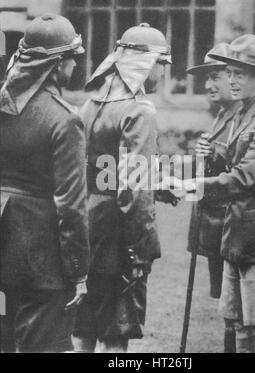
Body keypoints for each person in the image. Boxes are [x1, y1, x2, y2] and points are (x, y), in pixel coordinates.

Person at [181, 34, 255, 353]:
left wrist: (197, 185)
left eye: (240, 74)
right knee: (237, 323)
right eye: (229, 72)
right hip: (238, 233)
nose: (232, 80)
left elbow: (245, 176)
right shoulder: (245, 112)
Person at [72, 23, 172, 353]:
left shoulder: (89, 105)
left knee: (84, 328)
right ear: (147, 64)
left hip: (86, 228)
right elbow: (134, 190)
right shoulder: (138, 111)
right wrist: (142, 248)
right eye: (163, 63)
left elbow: (102, 173)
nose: (164, 72)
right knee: (116, 334)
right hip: (117, 235)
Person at [0, 14, 90, 352]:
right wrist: (79, 272)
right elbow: (71, 206)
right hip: (43, 263)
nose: (74, 66)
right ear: (57, 65)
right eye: (72, 58)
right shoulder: (65, 120)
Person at [186, 43, 241, 353]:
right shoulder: (222, 114)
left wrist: (216, 153)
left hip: (237, 227)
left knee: (237, 309)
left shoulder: (249, 116)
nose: (208, 85)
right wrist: (203, 156)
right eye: (206, 77)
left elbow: (249, 173)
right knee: (226, 306)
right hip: (216, 224)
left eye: (215, 76)